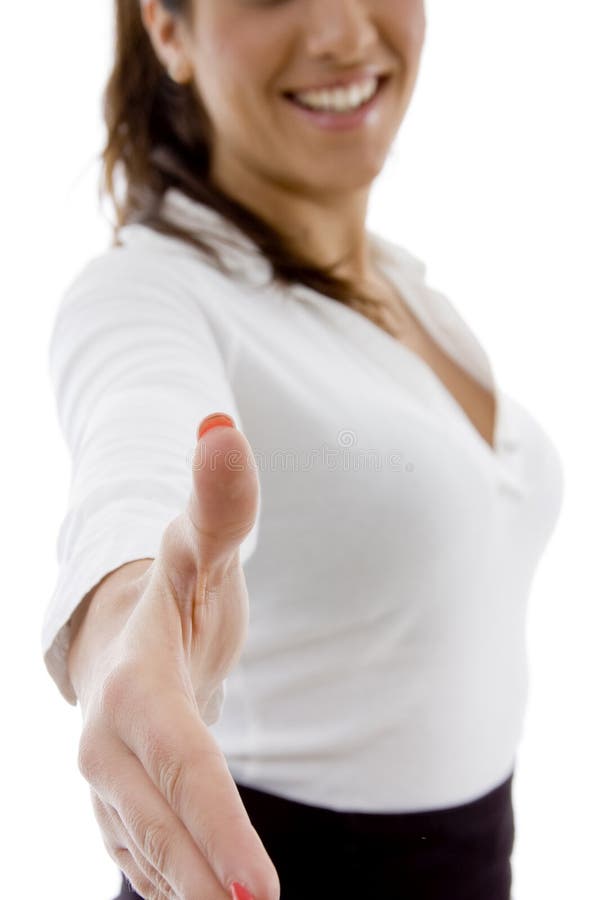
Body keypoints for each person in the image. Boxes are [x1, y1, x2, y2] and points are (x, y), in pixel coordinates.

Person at [41, 1, 565, 899]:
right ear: (167, 27)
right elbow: (134, 450)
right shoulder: (147, 290)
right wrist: (124, 625)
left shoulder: (403, 286)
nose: (340, 33)